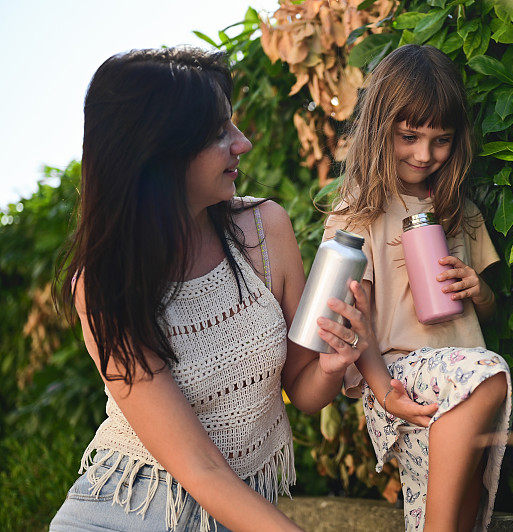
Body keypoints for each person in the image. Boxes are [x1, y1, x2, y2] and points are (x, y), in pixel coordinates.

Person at [50, 47, 375, 532]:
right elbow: (199, 467)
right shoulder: (104, 286)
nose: (242, 144)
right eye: (220, 133)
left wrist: (333, 365)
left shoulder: (264, 228)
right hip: (129, 510)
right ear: (160, 153)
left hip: (238, 513)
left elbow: (303, 392)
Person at [321, 44, 512, 532]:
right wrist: (383, 391)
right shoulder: (359, 212)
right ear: (380, 128)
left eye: (441, 140)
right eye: (409, 136)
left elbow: (487, 311)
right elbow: (350, 321)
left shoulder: (461, 211)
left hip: (459, 381)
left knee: (453, 513)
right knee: (489, 376)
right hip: (403, 376)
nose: (424, 155)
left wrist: (477, 290)